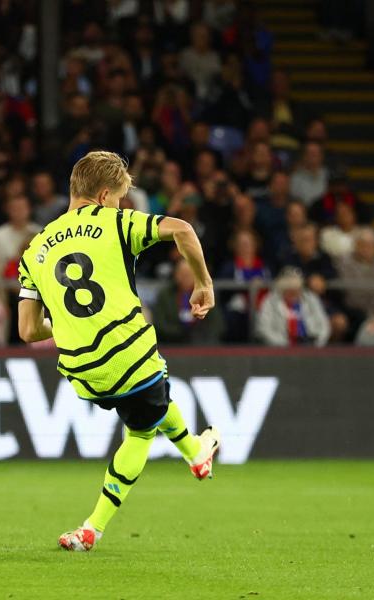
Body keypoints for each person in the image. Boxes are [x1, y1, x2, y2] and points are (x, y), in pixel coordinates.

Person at [14, 152, 220, 552]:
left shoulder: (34, 250)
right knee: (142, 429)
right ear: (105, 195)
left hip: (81, 369)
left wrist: (68, 325)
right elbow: (184, 230)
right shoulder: (117, 223)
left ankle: (197, 453)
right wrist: (203, 284)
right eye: (121, 197)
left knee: (152, 400)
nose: (122, 204)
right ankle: (93, 528)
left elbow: (26, 330)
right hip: (128, 352)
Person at [151, 258, 225, 345]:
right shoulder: (165, 295)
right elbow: (160, 323)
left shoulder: (206, 295)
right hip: (171, 343)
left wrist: (198, 335)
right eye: (182, 274)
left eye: (189, 274)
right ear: (176, 275)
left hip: (201, 344)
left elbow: (217, 324)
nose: (185, 278)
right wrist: (180, 333)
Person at [255, 266, 330, 346]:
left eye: (296, 290)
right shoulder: (269, 301)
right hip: (280, 348)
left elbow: (324, 326)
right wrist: (286, 344)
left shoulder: (311, 299)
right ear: (282, 290)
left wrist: (316, 343)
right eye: (290, 291)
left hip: (311, 346)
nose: (293, 294)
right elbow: (263, 329)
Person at [337, 227, 374, 322]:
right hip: (354, 311)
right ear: (356, 245)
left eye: (372, 245)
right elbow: (351, 293)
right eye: (365, 245)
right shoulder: (345, 264)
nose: (368, 249)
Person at [0, 195, 40, 268]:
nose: (19, 212)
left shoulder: (40, 232)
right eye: (15, 209)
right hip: (6, 277)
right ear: (8, 211)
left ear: (29, 209)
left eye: (22, 208)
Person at [289, 140, 328, 207]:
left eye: (315, 154)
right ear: (304, 156)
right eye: (309, 153)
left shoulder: (328, 176)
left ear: (321, 156)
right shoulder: (295, 178)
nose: (312, 157)